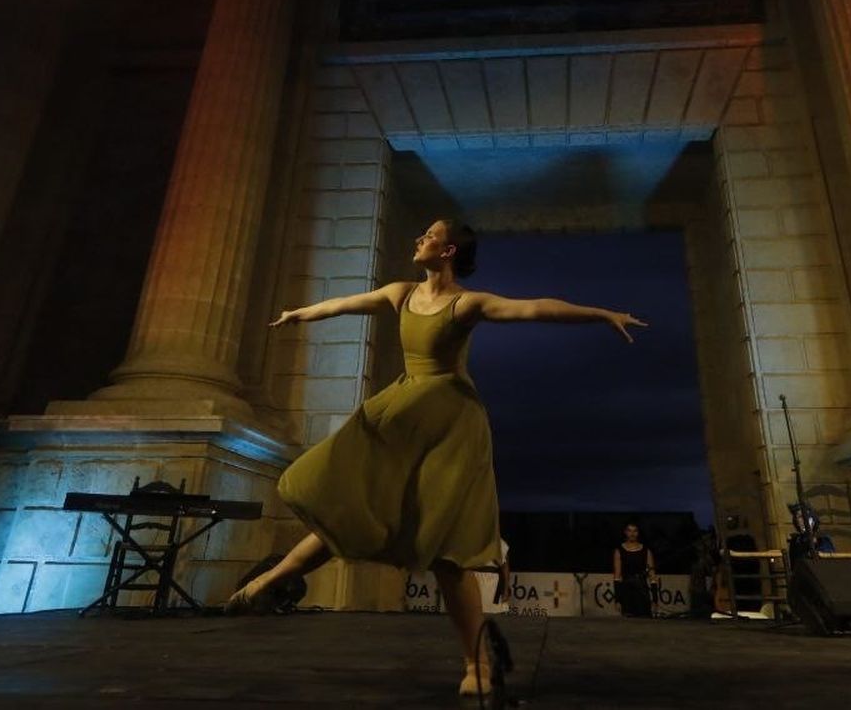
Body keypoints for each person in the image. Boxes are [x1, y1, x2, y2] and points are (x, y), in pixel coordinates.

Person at [223, 218, 646, 697]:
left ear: (448, 252)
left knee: (446, 551)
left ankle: (477, 666)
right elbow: (346, 303)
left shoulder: (466, 304)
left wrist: (600, 314)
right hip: (404, 414)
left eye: (428, 235)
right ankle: (268, 583)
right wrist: (301, 312)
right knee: (352, 507)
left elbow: (533, 308)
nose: (419, 238)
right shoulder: (401, 293)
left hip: (450, 425)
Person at [611, 521, 656, 618]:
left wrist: (655, 599)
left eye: (635, 531)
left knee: (646, 621)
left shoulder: (646, 551)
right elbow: (617, 577)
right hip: (627, 591)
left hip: (642, 591)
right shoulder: (619, 550)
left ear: (638, 533)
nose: (632, 534)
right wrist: (617, 600)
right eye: (629, 531)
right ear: (625, 532)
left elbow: (652, 576)